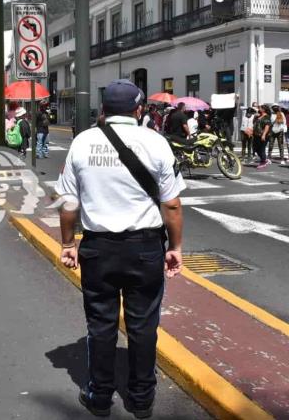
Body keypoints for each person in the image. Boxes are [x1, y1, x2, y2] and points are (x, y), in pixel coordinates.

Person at [56, 79, 184, 418]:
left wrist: (68, 242)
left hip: (98, 249)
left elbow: (68, 203)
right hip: (144, 248)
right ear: (139, 110)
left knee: (101, 324)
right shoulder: (155, 142)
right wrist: (176, 247)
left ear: (103, 110)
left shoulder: (83, 143)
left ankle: (99, 395)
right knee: (143, 325)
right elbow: (172, 205)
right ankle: (141, 398)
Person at [253, 104, 272, 169]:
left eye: (260, 108)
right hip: (256, 135)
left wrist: (264, 135)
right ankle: (264, 159)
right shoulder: (258, 116)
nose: (259, 109)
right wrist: (255, 117)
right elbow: (254, 124)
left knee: (262, 149)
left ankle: (263, 161)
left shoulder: (267, 117)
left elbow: (267, 126)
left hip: (263, 135)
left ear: (264, 109)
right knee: (255, 148)